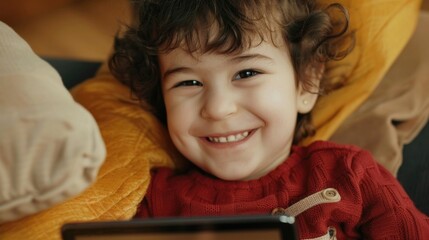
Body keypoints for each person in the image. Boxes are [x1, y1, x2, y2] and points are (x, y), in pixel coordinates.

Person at [109, 0, 429, 239]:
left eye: (247, 73)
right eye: (188, 83)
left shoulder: (352, 176)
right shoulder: (152, 201)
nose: (218, 108)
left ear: (306, 81)